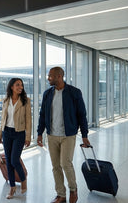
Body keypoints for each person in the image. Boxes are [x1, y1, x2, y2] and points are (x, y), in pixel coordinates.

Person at [37, 67, 90, 203]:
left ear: (59, 76)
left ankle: (73, 190)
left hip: (68, 135)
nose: (48, 78)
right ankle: (60, 194)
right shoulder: (47, 94)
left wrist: (85, 135)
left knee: (66, 163)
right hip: (52, 135)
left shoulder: (74, 92)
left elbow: (82, 115)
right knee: (56, 166)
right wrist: (39, 133)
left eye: (50, 76)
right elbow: (42, 114)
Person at [0, 78, 31, 199]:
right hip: (7, 133)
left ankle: (23, 179)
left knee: (14, 160)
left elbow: (28, 120)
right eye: (17, 85)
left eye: (21, 85)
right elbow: (3, 120)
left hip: (19, 133)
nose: (20, 87)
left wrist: (28, 137)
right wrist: (0, 135)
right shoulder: (6, 100)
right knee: (9, 163)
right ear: (11, 87)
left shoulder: (25, 101)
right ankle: (12, 188)